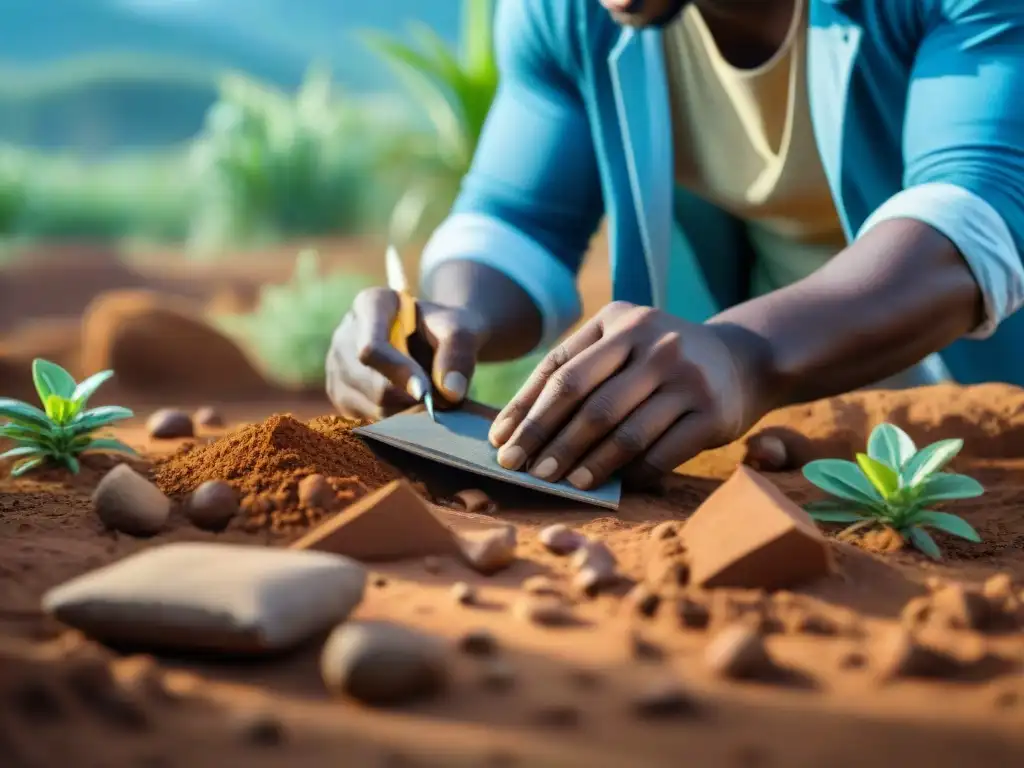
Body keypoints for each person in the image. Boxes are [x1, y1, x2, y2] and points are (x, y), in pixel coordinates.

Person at [326, 0, 1024, 490]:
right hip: (793, 439)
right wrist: (448, 319)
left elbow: (977, 219)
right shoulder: (569, 13)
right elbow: (516, 222)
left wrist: (745, 355)